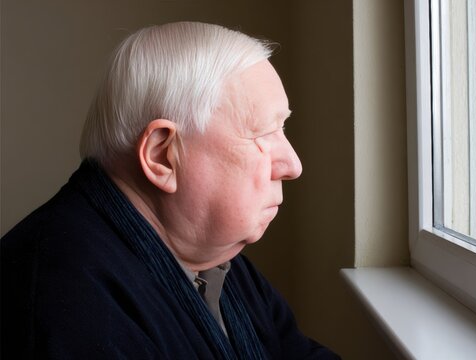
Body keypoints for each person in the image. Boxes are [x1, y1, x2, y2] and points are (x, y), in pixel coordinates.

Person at [1, 21, 340, 359]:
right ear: (162, 155)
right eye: (263, 134)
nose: (293, 165)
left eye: (282, 128)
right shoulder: (66, 304)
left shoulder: (212, 257)